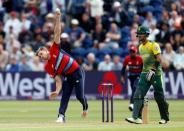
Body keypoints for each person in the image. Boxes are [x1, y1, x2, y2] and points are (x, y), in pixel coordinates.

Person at [35, 9, 88, 123]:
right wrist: (57, 91)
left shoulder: (54, 48)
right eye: (39, 56)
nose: (41, 57)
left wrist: (58, 17)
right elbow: (58, 79)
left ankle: (85, 106)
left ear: (45, 50)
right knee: (65, 96)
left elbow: (57, 32)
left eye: (41, 54)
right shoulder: (48, 67)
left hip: (77, 72)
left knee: (79, 97)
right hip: (67, 77)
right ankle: (61, 116)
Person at [125, 26, 169, 124]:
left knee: (159, 96)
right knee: (138, 94)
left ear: (147, 34)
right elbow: (144, 63)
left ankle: (164, 118)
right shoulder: (140, 47)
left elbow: (158, 58)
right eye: (139, 34)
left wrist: (153, 69)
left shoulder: (154, 45)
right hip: (144, 73)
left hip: (156, 73)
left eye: (141, 34)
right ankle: (136, 117)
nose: (139, 36)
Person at [121, 45, 143, 111]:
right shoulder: (127, 58)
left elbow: (142, 68)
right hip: (131, 76)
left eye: (133, 52)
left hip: (138, 75)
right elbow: (123, 68)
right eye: (130, 52)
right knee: (134, 89)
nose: (131, 53)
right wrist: (122, 77)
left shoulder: (139, 58)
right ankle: (137, 104)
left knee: (134, 87)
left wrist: (142, 77)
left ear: (136, 52)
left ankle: (131, 103)